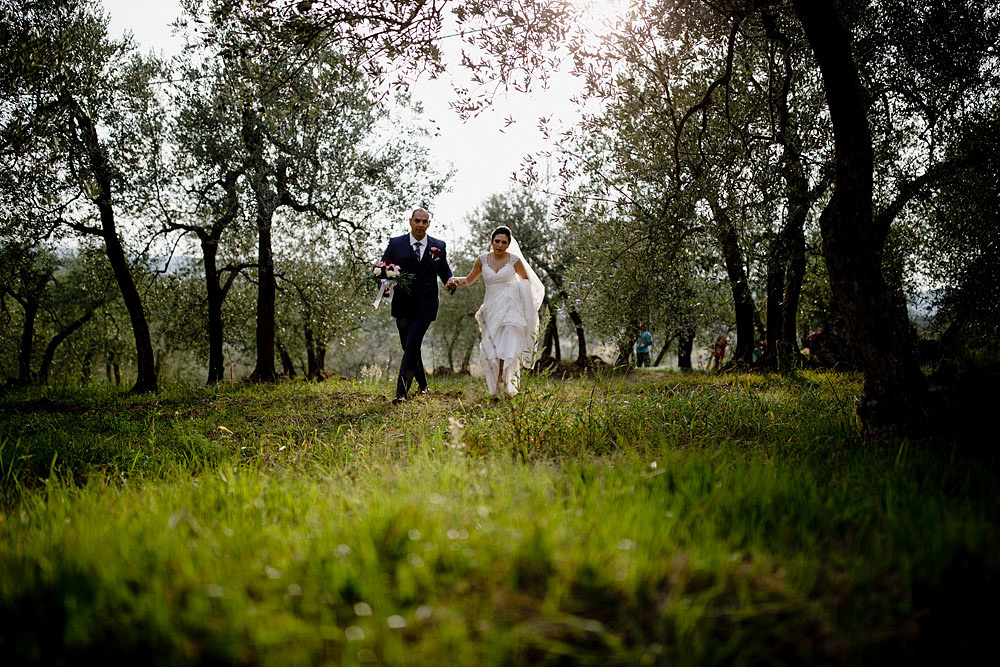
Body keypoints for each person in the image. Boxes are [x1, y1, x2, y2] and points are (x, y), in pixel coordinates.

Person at [447, 226, 545, 397]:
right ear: (491, 242)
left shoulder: (514, 260)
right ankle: (496, 385)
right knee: (492, 345)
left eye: (504, 242)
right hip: (491, 307)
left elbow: (526, 282)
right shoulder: (482, 260)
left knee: (507, 342)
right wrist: (454, 280)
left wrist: (514, 289)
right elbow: (469, 280)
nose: (500, 245)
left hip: (510, 307)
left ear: (508, 244)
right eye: (497, 241)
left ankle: (502, 379)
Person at [381, 208, 454, 404]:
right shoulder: (396, 244)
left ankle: (401, 393)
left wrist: (450, 281)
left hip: (426, 305)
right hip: (402, 304)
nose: (420, 225)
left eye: (424, 221)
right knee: (408, 346)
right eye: (417, 221)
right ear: (410, 221)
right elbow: (384, 265)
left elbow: (444, 270)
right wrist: (385, 272)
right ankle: (423, 385)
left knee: (412, 344)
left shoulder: (439, 246)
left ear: (429, 223)